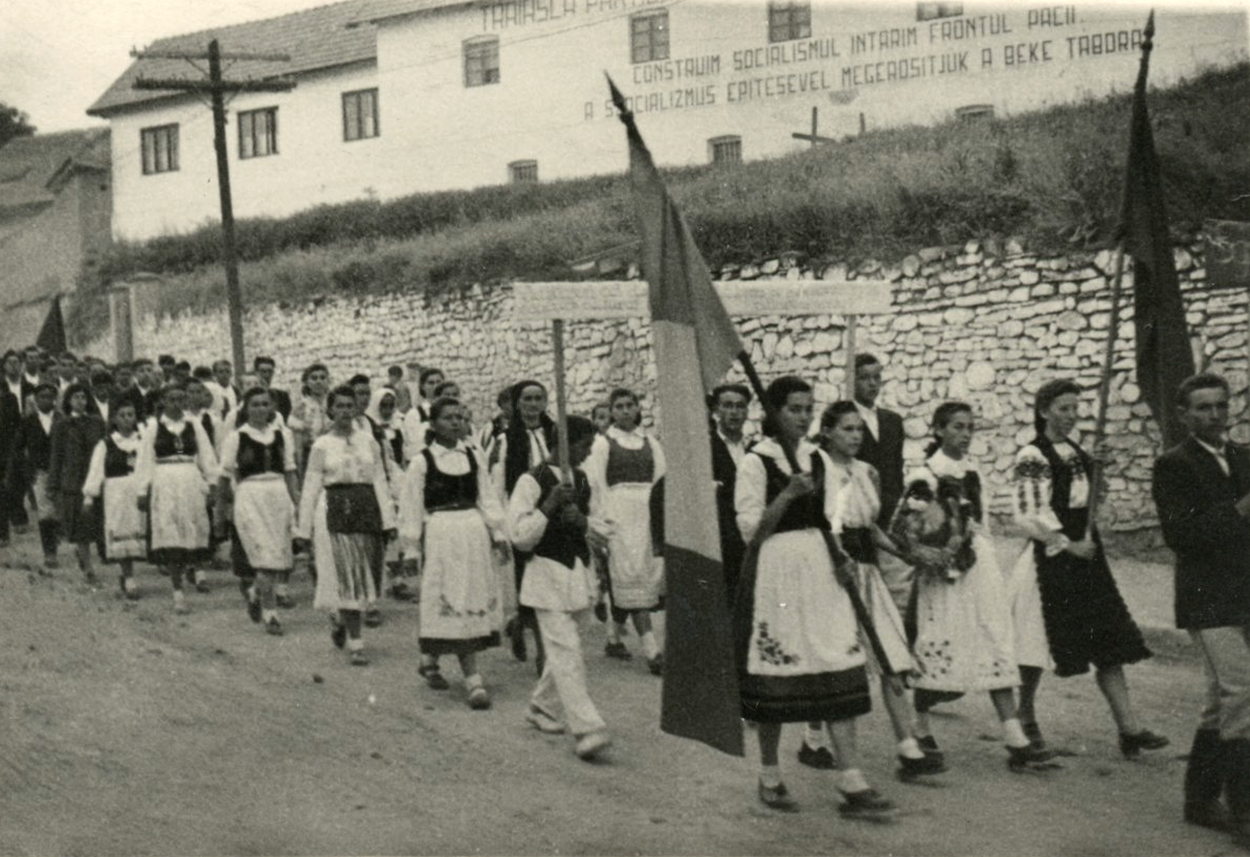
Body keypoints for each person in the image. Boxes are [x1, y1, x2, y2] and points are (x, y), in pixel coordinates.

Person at [734, 376, 892, 816]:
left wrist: (841, 557)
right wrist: (787, 494)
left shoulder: (818, 459)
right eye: (794, 409)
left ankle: (851, 779)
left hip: (821, 570)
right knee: (777, 671)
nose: (803, 417)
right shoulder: (756, 462)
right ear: (774, 413)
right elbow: (751, 532)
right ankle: (770, 775)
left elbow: (831, 520)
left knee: (837, 661)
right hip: (778, 573)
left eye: (808, 409)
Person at [1010, 378, 1167, 758]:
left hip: (1086, 560)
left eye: (1074, 408)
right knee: (1037, 641)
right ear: (1044, 411)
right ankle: (1024, 717)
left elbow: (1091, 502)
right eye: (1063, 408)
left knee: (1108, 639)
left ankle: (1129, 729)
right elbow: (1028, 513)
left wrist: (1098, 471)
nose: (1071, 416)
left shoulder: (1077, 452)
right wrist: (1067, 543)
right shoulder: (1032, 455)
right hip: (1050, 558)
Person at [893, 401, 1052, 770]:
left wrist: (983, 551)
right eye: (957, 427)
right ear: (938, 430)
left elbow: (981, 522)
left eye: (969, 428)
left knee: (993, 635)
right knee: (939, 643)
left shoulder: (973, 470)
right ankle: (920, 725)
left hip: (980, 565)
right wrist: (934, 553)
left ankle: (1014, 734)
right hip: (943, 575)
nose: (965, 434)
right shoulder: (926, 475)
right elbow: (906, 530)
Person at [807, 400, 944, 780]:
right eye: (847, 429)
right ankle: (813, 738)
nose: (855, 436)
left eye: (858, 429)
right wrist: (837, 559)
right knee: (835, 661)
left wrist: (906, 552)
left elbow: (868, 528)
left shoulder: (866, 472)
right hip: (833, 576)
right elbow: (822, 525)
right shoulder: (817, 468)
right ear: (828, 431)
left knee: (891, 656)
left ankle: (908, 748)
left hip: (867, 574)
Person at [1152, 372, 1250, 842]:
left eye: (1221, 405)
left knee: (1219, 701)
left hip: (1245, 590)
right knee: (1242, 692)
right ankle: (1244, 810)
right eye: (1203, 407)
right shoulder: (1174, 465)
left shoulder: (1244, 456)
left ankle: (1199, 799)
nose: (1215, 415)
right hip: (1207, 597)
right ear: (1184, 415)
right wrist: (1239, 510)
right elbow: (1181, 535)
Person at [509, 415, 612, 760]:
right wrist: (549, 506)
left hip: (577, 576)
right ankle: (588, 728)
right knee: (567, 652)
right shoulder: (531, 480)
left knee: (564, 649)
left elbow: (604, 527)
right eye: (584, 446)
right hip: (545, 577)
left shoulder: (583, 480)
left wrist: (583, 522)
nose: (588, 453)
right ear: (565, 444)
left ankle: (542, 706)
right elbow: (519, 537)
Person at [400, 397, 508, 708]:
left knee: (469, 595)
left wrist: (498, 533)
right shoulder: (422, 462)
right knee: (448, 596)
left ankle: (430, 658)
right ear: (433, 424)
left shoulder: (474, 456)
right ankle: (473, 680)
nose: (456, 422)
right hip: (442, 534)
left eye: (460, 417)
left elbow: (487, 497)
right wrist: (410, 548)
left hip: (473, 532)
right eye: (448, 418)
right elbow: (411, 506)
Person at [295, 385, 396, 666]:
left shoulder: (369, 441)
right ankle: (356, 642)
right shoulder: (322, 445)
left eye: (349, 406)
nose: (345, 411)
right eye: (339, 406)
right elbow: (311, 486)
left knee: (364, 573)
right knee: (345, 572)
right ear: (330, 410)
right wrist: (303, 529)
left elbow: (379, 479)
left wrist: (389, 519)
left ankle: (340, 618)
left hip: (366, 509)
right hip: (333, 509)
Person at [585, 388, 666, 674]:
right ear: (611, 411)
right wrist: (601, 523)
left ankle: (613, 636)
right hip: (618, 516)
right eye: (619, 406)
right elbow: (596, 484)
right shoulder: (603, 444)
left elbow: (661, 482)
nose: (625, 410)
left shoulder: (651, 442)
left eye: (630, 405)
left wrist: (661, 518)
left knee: (642, 577)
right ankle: (652, 650)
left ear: (638, 408)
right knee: (627, 574)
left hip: (647, 516)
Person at [216, 387, 299, 636]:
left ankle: (255, 593)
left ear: (272, 407)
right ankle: (271, 614)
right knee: (263, 558)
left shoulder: (283, 435)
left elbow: (290, 471)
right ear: (246, 408)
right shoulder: (236, 437)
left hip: (278, 497)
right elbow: (224, 477)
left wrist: (297, 502)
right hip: (250, 498)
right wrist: (222, 509)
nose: (261, 409)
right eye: (255, 404)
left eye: (265, 404)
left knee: (277, 558)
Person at [135, 382, 219, 614]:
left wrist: (212, 484)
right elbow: (144, 461)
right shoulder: (154, 427)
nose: (176, 404)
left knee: (193, 529)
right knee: (170, 534)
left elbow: (207, 455)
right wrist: (142, 490)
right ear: (163, 401)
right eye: (171, 399)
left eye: (181, 399)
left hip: (190, 479)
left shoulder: (194, 425)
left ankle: (197, 572)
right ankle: (177, 591)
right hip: (165, 481)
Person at [492, 380, 557, 669]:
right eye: (527, 399)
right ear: (517, 404)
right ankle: (530, 633)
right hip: (521, 513)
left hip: (552, 512)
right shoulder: (506, 440)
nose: (532, 404)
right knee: (527, 577)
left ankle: (534, 632)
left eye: (537, 398)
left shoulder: (555, 434)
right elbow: (497, 484)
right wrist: (501, 526)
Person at [82, 399, 147, 599]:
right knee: (121, 532)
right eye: (122, 415)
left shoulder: (144, 441)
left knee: (143, 533)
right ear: (114, 420)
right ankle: (128, 577)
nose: (127, 419)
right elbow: (95, 471)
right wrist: (89, 498)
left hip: (140, 491)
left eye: (130, 415)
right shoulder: (105, 444)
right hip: (116, 494)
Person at [47, 382, 107, 585]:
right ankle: (88, 567)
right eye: (76, 398)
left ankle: (88, 557)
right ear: (68, 401)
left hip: (95, 478)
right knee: (81, 526)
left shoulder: (97, 422)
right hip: (73, 481)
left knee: (96, 522)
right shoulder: (61, 425)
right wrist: (53, 485)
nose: (80, 401)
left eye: (83, 397)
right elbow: (56, 456)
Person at [709, 383, 753, 605]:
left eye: (740, 406)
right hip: (720, 543)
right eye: (727, 405)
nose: (734, 412)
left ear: (747, 411)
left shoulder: (755, 449)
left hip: (750, 543)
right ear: (716, 410)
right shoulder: (706, 449)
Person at [10, 383, 62, 568]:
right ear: (36, 399)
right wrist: (27, 468)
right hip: (39, 472)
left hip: (61, 472)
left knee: (59, 510)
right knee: (45, 512)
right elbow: (17, 448)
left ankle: (58, 537)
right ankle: (50, 553)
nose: (46, 400)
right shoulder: (28, 421)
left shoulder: (62, 419)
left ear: (55, 399)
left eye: (50, 396)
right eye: (42, 397)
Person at [290, 363, 331, 473]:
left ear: (328, 380)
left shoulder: (333, 403)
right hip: (310, 454)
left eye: (322, 377)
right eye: (314, 378)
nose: (318, 381)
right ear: (307, 382)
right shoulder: (302, 406)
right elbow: (297, 442)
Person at [253, 357, 292, 422]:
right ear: (256, 372)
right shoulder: (247, 396)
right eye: (263, 371)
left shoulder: (282, 397)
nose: (267, 375)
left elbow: (284, 420)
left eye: (270, 371)